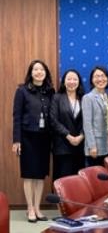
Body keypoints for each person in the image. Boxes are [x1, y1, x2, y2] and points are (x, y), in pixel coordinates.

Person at [12, 59, 54, 222]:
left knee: (40, 175)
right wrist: (16, 141)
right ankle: (29, 208)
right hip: (28, 137)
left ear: (45, 73)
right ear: (31, 73)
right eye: (35, 69)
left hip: (44, 138)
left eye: (42, 70)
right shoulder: (22, 91)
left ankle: (37, 208)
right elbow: (16, 117)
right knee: (29, 175)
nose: (39, 72)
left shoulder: (50, 91)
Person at [49, 69, 86, 181]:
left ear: (79, 82)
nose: (72, 81)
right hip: (62, 146)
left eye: (75, 79)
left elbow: (89, 121)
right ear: (64, 81)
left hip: (80, 146)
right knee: (62, 180)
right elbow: (53, 120)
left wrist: (81, 136)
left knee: (78, 181)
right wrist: (68, 136)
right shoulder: (57, 98)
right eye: (69, 79)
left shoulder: (84, 98)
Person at [82, 66, 108, 166]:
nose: (100, 79)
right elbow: (87, 124)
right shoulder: (88, 98)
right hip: (95, 146)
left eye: (103, 76)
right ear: (92, 80)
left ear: (107, 78)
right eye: (96, 76)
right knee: (95, 178)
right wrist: (92, 146)